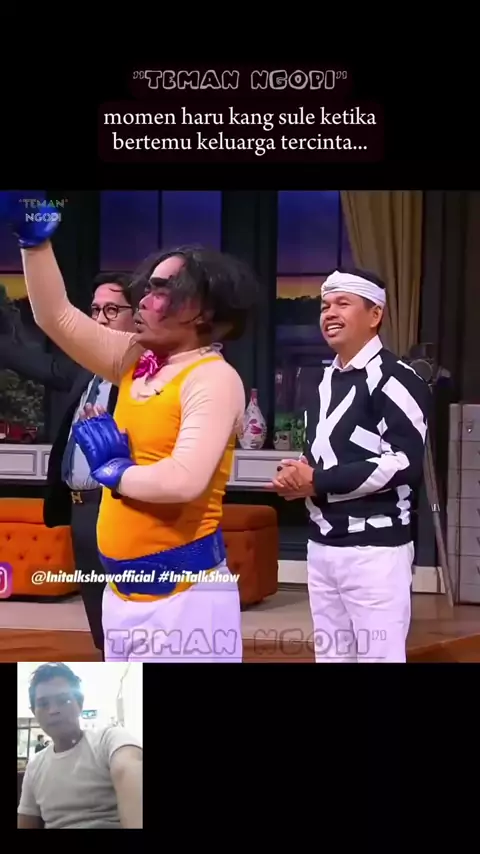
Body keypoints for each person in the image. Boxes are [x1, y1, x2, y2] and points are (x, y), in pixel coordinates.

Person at [9, 204, 258, 663]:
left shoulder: (213, 377)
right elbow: (56, 317)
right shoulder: (135, 360)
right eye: (148, 287)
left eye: (162, 290)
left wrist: (114, 471)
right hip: (121, 595)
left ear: (202, 310)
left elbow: (184, 480)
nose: (143, 300)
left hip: (186, 600)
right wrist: (35, 243)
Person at [268, 268, 431, 663]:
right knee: (333, 658)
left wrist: (318, 480)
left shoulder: (397, 378)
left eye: (343, 303)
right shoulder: (324, 380)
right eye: (325, 305)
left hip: (375, 550)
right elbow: (325, 453)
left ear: (375, 315)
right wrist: (299, 474)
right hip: (322, 545)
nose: (329, 313)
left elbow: (405, 462)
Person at [0, 272, 136, 656]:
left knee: (128, 618)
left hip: (121, 508)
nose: (101, 319)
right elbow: (38, 365)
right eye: (95, 310)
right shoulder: (85, 368)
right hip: (81, 509)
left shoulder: (143, 375)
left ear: (138, 314)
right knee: (100, 621)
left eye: (112, 310)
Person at [17, 663, 142, 829]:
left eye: (64, 700)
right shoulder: (34, 766)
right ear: (34, 712)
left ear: (80, 704)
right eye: (43, 704)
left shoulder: (109, 739)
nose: (53, 710)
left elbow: (129, 768)